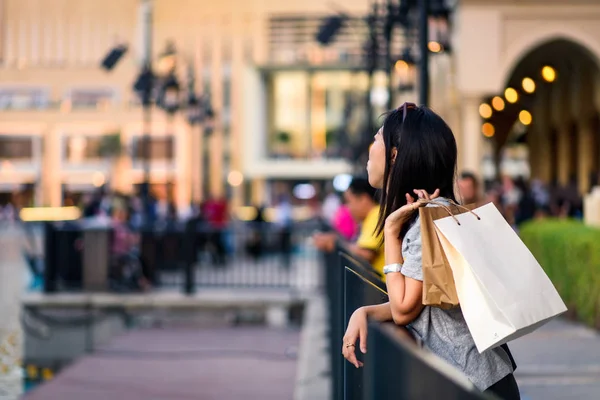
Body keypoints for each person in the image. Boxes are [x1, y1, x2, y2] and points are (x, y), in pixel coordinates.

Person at [342, 103, 520, 399]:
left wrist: (390, 232)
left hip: (474, 382)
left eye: (376, 140)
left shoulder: (428, 221)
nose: (370, 149)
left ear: (395, 154)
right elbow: (419, 301)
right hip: (475, 378)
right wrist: (365, 311)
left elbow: (403, 309)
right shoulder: (431, 216)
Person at [313, 176, 384, 277]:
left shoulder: (376, 215)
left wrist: (336, 244)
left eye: (348, 201)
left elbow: (366, 254)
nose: (347, 208)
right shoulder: (374, 215)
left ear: (363, 199)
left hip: (384, 289)